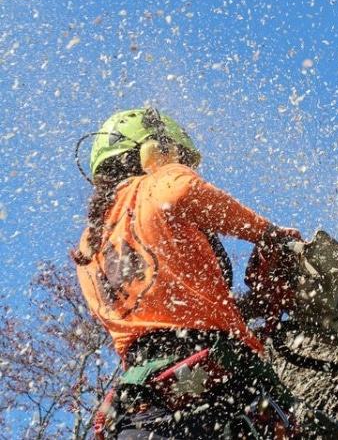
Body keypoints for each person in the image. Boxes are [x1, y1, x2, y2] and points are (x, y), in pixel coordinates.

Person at [73, 107, 303, 439]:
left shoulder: (89, 247)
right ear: (155, 151)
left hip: (140, 406)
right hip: (211, 385)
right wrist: (270, 235)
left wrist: (249, 310)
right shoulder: (158, 183)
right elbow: (182, 191)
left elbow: (163, 317)